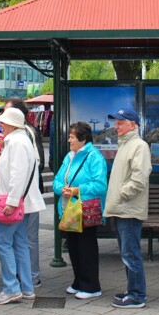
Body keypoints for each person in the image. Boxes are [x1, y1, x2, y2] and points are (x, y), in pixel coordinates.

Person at [0, 107, 44, 305]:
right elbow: (15, 171)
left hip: (16, 202)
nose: (0, 125)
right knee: (20, 242)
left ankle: (11, 288)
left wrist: (11, 202)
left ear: (11, 124)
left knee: (2, 241)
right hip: (25, 203)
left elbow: (17, 175)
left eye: (3, 122)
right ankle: (27, 288)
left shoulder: (16, 142)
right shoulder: (20, 141)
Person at [53, 122, 107, 299]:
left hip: (86, 210)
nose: (68, 140)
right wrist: (62, 189)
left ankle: (92, 286)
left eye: (72, 137)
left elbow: (100, 185)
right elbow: (57, 181)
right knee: (74, 247)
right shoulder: (69, 157)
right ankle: (78, 282)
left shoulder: (94, 156)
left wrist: (77, 190)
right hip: (69, 210)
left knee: (86, 248)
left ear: (82, 139)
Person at [104, 108, 152, 309]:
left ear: (133, 124)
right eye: (116, 122)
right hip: (122, 208)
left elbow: (139, 178)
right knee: (127, 254)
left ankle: (137, 295)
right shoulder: (126, 145)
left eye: (121, 122)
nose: (116, 126)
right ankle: (132, 290)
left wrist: (122, 194)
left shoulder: (139, 146)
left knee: (130, 254)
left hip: (128, 208)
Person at [4, 97, 45, 288]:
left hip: (24, 198)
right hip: (22, 196)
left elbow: (32, 164)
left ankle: (30, 277)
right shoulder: (15, 136)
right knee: (21, 240)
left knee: (23, 240)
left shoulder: (25, 134)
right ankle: (26, 280)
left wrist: (13, 199)